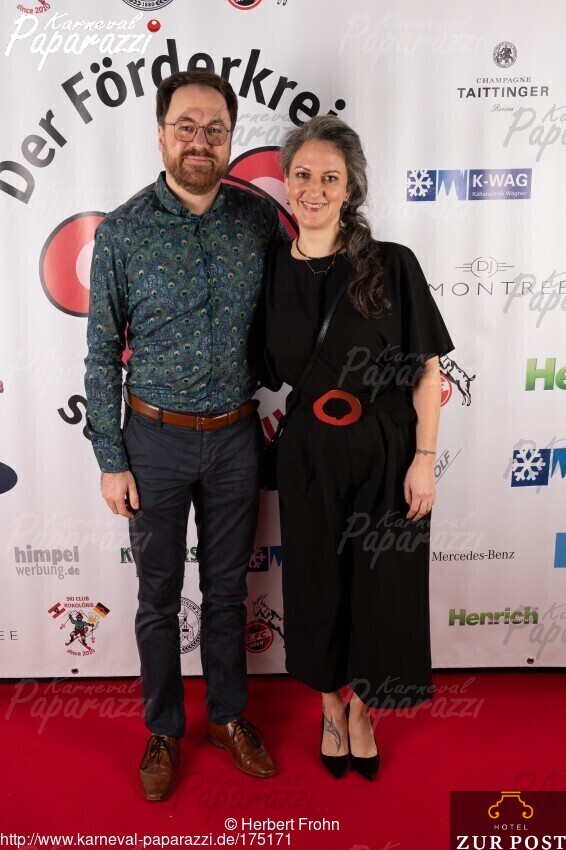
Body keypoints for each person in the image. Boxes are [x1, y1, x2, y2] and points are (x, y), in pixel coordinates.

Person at [84, 70, 284, 802]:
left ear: (230, 137)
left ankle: (228, 718)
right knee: (159, 597)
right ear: (162, 134)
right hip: (153, 443)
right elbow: (100, 354)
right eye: (186, 127)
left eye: (214, 129)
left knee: (228, 591)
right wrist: (111, 458)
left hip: (236, 438)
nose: (200, 141)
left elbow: (288, 317)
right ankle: (164, 729)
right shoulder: (122, 231)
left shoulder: (258, 221)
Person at [259, 115, 455, 780]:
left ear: (350, 189)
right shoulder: (270, 270)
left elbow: (427, 371)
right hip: (308, 451)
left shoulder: (391, 263)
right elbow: (260, 365)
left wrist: (424, 461)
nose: (314, 189)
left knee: (384, 588)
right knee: (315, 585)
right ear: (287, 183)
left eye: (330, 177)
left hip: (386, 448)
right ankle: (328, 707)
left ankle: (365, 709)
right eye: (303, 175)